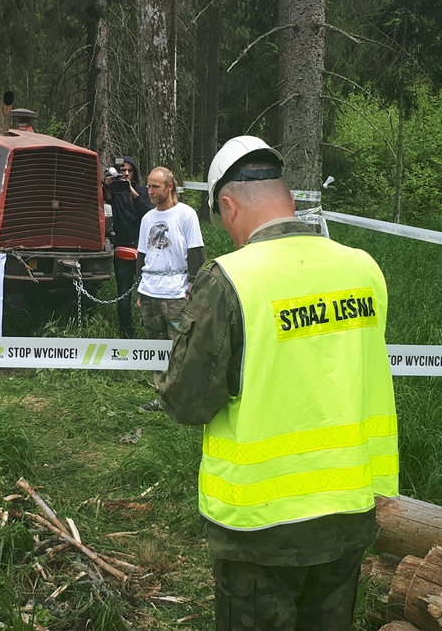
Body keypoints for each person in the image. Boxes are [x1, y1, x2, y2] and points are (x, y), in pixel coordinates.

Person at [155, 136, 399, 630]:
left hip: (260, 523)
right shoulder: (362, 268)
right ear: (287, 197)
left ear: (228, 205)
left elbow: (187, 401)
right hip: (349, 506)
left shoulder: (230, 279)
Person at [135, 167, 205, 412]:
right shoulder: (147, 219)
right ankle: (162, 395)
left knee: (180, 345)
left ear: (170, 187)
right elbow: (142, 255)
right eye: (149, 186)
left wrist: (193, 283)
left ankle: (183, 397)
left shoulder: (186, 215)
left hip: (176, 292)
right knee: (155, 345)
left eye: (155, 186)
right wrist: (139, 291)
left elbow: (196, 250)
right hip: (150, 290)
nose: (150, 191)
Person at [102, 156, 153, 338]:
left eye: (129, 170)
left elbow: (149, 214)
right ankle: (127, 336)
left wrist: (133, 194)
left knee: (148, 297)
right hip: (122, 251)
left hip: (145, 252)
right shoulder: (114, 193)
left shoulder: (143, 192)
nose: (125, 174)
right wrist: (108, 189)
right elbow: (107, 215)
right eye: (122, 170)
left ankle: (149, 334)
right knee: (123, 298)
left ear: (134, 173)